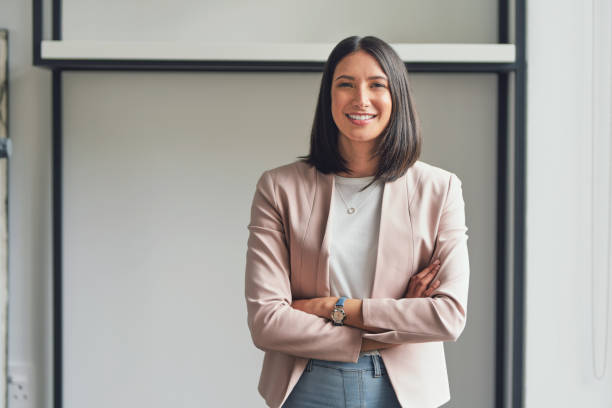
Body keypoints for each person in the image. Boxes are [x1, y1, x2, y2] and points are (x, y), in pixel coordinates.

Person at [244, 35, 470, 408]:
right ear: (328, 97)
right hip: (306, 384)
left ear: (396, 95)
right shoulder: (279, 187)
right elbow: (267, 321)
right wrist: (392, 330)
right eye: (345, 84)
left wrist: (329, 307)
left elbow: (447, 317)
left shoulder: (440, 188)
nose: (360, 99)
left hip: (404, 391)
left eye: (376, 84)